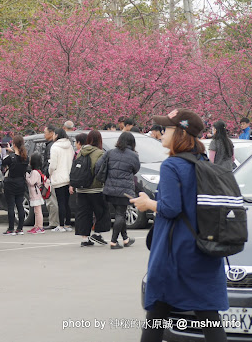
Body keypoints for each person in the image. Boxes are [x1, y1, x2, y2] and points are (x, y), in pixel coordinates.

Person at [131, 109, 228, 342]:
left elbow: (171, 208)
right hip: (203, 249)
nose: (161, 133)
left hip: (175, 253)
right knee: (208, 315)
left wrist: (148, 203)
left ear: (180, 133)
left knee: (157, 314)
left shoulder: (172, 165)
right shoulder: (204, 163)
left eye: (167, 129)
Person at [95, 131, 139, 249]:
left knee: (119, 213)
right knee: (120, 214)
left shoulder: (110, 153)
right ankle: (114, 242)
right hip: (124, 190)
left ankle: (125, 239)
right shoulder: (133, 155)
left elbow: (98, 165)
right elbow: (136, 169)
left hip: (110, 189)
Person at [73, 130, 110, 247]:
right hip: (95, 188)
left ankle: (84, 239)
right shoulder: (100, 153)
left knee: (83, 213)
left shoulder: (80, 152)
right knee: (102, 212)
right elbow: (101, 170)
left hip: (81, 188)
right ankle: (97, 233)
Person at [1, 135, 29, 235]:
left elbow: (3, 162)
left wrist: (10, 151)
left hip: (10, 183)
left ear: (13, 145)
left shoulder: (10, 158)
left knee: (11, 206)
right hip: (21, 182)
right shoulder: (25, 157)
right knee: (20, 205)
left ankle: (11, 228)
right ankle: (20, 228)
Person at [49, 128, 73, 232]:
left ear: (57, 135)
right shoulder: (69, 146)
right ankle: (67, 224)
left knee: (60, 202)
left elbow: (53, 164)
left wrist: (50, 172)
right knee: (67, 202)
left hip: (59, 177)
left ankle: (61, 225)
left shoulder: (55, 147)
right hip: (68, 176)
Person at [42, 125, 60, 229]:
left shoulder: (51, 146)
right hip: (57, 176)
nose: (44, 134)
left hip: (51, 176)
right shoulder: (52, 145)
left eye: (45, 132)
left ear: (51, 133)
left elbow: (49, 163)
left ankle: (53, 222)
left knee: (51, 200)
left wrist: (46, 174)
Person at [25, 152, 45, 233]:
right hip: (36, 194)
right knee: (36, 211)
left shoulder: (34, 172)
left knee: (38, 211)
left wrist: (26, 176)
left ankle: (40, 227)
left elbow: (31, 182)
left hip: (35, 194)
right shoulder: (38, 171)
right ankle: (36, 226)